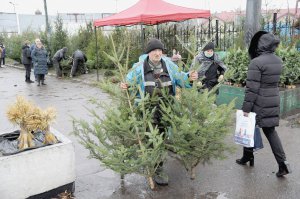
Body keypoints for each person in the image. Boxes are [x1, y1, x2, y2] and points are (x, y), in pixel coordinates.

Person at [121, 38, 198, 186]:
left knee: (162, 139)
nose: (157, 53)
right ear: (148, 52)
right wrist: (125, 85)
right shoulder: (139, 68)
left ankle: (157, 165)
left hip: (166, 109)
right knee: (152, 140)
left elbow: (181, 79)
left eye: (160, 50)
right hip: (147, 111)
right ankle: (156, 169)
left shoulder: (169, 65)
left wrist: (189, 76)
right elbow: (128, 82)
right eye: (154, 50)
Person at [236, 31, 292, 177]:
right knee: (270, 131)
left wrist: (246, 109)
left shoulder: (256, 62)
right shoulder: (278, 60)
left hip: (259, 102)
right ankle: (283, 164)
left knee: (248, 128)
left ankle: (248, 156)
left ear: (260, 44)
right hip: (273, 99)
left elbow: (252, 88)